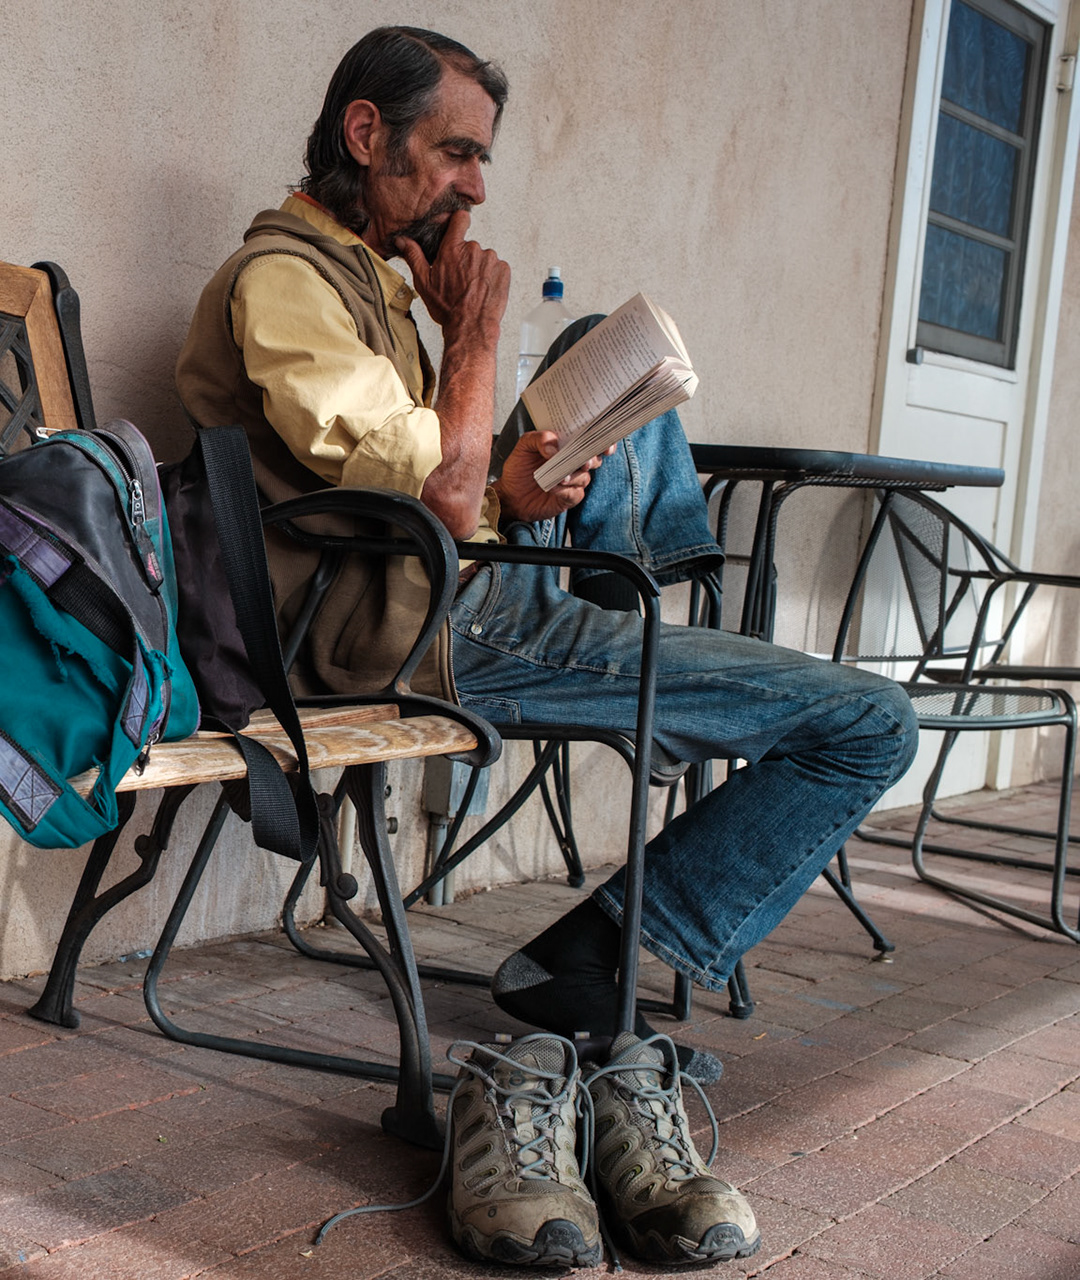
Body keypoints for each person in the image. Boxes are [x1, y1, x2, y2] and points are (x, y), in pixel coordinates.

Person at [174, 25, 919, 1269]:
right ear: (368, 134)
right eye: (456, 153)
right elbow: (445, 504)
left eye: (481, 159)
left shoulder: (372, 276)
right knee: (865, 724)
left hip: (460, 601)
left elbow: (459, 490)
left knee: (608, 374)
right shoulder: (284, 282)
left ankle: (641, 649)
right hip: (405, 640)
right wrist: (481, 333)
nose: (475, 186)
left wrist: (528, 479)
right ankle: (600, 955)